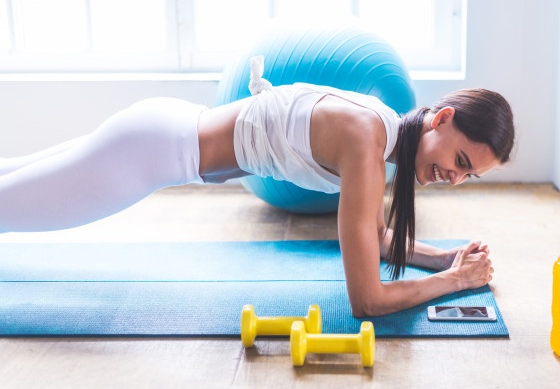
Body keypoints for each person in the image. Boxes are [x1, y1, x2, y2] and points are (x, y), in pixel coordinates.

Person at [0, 56, 515, 317]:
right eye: (460, 160)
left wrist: (446, 259)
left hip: (157, 134)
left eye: (469, 175)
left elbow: (378, 241)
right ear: (442, 120)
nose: (455, 177)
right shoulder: (366, 143)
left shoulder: (380, 132)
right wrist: (457, 282)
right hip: (147, 155)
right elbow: (367, 299)